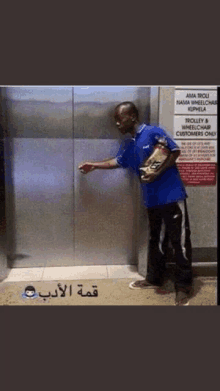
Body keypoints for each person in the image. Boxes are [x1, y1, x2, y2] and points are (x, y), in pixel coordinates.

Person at [78, 101, 193, 306]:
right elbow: (117, 162)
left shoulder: (153, 132)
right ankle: (154, 278)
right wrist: (94, 165)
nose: (117, 123)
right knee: (155, 240)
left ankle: (183, 287)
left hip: (172, 196)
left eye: (119, 118)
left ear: (132, 116)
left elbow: (174, 151)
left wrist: (157, 171)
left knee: (179, 242)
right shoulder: (129, 143)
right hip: (152, 200)